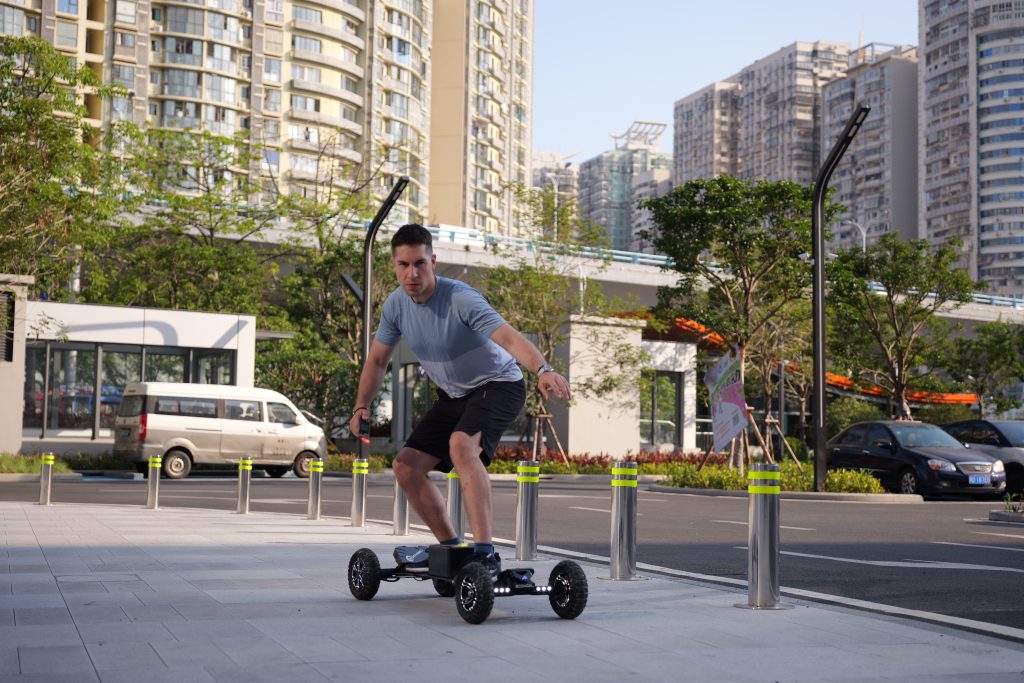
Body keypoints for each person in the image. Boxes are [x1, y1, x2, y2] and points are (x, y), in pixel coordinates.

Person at [349, 223, 571, 574]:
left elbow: (510, 339)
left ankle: (485, 553)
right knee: (406, 466)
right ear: (394, 266)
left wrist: (543, 369)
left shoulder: (460, 298)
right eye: (404, 265)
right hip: (454, 395)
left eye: (420, 263)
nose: (412, 273)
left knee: (461, 446)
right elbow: (377, 360)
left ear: (433, 261)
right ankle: (453, 548)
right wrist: (362, 404)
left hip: (498, 384)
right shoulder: (395, 306)